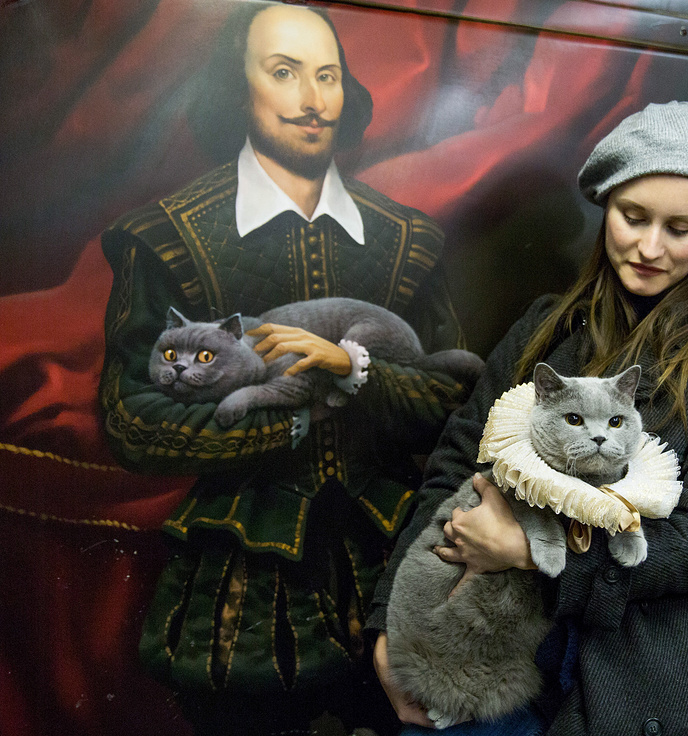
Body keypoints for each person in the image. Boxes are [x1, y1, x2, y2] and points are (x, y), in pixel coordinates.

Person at [99, 4, 473, 734]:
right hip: (238, 585)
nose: (312, 98)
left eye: (328, 76)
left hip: (394, 563)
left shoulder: (409, 240)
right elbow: (129, 419)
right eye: (284, 72)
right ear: (237, 90)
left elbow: (455, 398)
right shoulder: (166, 237)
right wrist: (292, 423)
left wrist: (352, 370)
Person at [367, 101, 688, 735]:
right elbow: (453, 463)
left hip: (643, 685)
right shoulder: (545, 327)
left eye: (680, 228)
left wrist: (533, 553)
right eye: (633, 216)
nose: (650, 247)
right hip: (485, 660)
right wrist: (388, 629)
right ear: (606, 208)